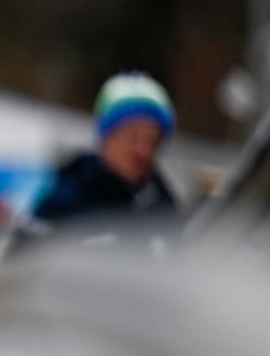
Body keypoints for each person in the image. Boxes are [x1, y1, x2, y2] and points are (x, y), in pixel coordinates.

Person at [18, 71, 179, 244]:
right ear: (106, 138)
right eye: (132, 138)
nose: (143, 151)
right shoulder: (65, 204)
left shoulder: (164, 208)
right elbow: (19, 264)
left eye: (153, 141)